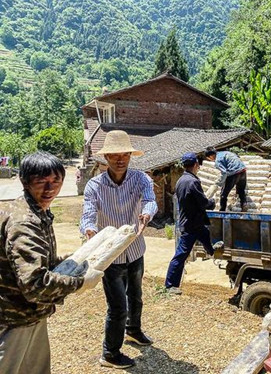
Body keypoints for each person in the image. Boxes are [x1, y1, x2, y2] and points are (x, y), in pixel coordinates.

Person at [0, 152, 102, 374]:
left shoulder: (34, 210)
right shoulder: (24, 223)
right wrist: (80, 283)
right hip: (13, 318)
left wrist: (68, 261)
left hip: (29, 315)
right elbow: (35, 283)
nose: (50, 189)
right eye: (41, 182)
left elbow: (35, 261)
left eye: (56, 181)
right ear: (25, 182)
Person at [80, 130, 157, 369]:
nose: (120, 159)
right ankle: (110, 354)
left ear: (130, 156)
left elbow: (150, 199)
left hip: (135, 249)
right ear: (106, 158)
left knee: (136, 296)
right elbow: (88, 212)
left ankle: (133, 330)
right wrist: (90, 229)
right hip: (110, 255)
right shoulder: (95, 185)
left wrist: (147, 212)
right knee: (117, 306)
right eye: (114, 155)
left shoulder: (141, 179)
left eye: (125, 154)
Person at [165, 152, 223, 295]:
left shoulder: (180, 180)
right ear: (196, 165)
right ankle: (170, 285)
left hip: (192, 221)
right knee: (181, 254)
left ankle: (211, 251)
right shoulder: (193, 182)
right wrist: (213, 203)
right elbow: (202, 202)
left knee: (205, 233)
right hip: (191, 223)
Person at [204, 147, 247, 211]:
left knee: (223, 194)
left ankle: (222, 210)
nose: (210, 160)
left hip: (233, 173)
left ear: (211, 156)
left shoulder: (218, 160)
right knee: (241, 190)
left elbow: (224, 173)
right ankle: (244, 205)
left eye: (209, 158)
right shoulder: (226, 153)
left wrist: (218, 183)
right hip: (243, 170)